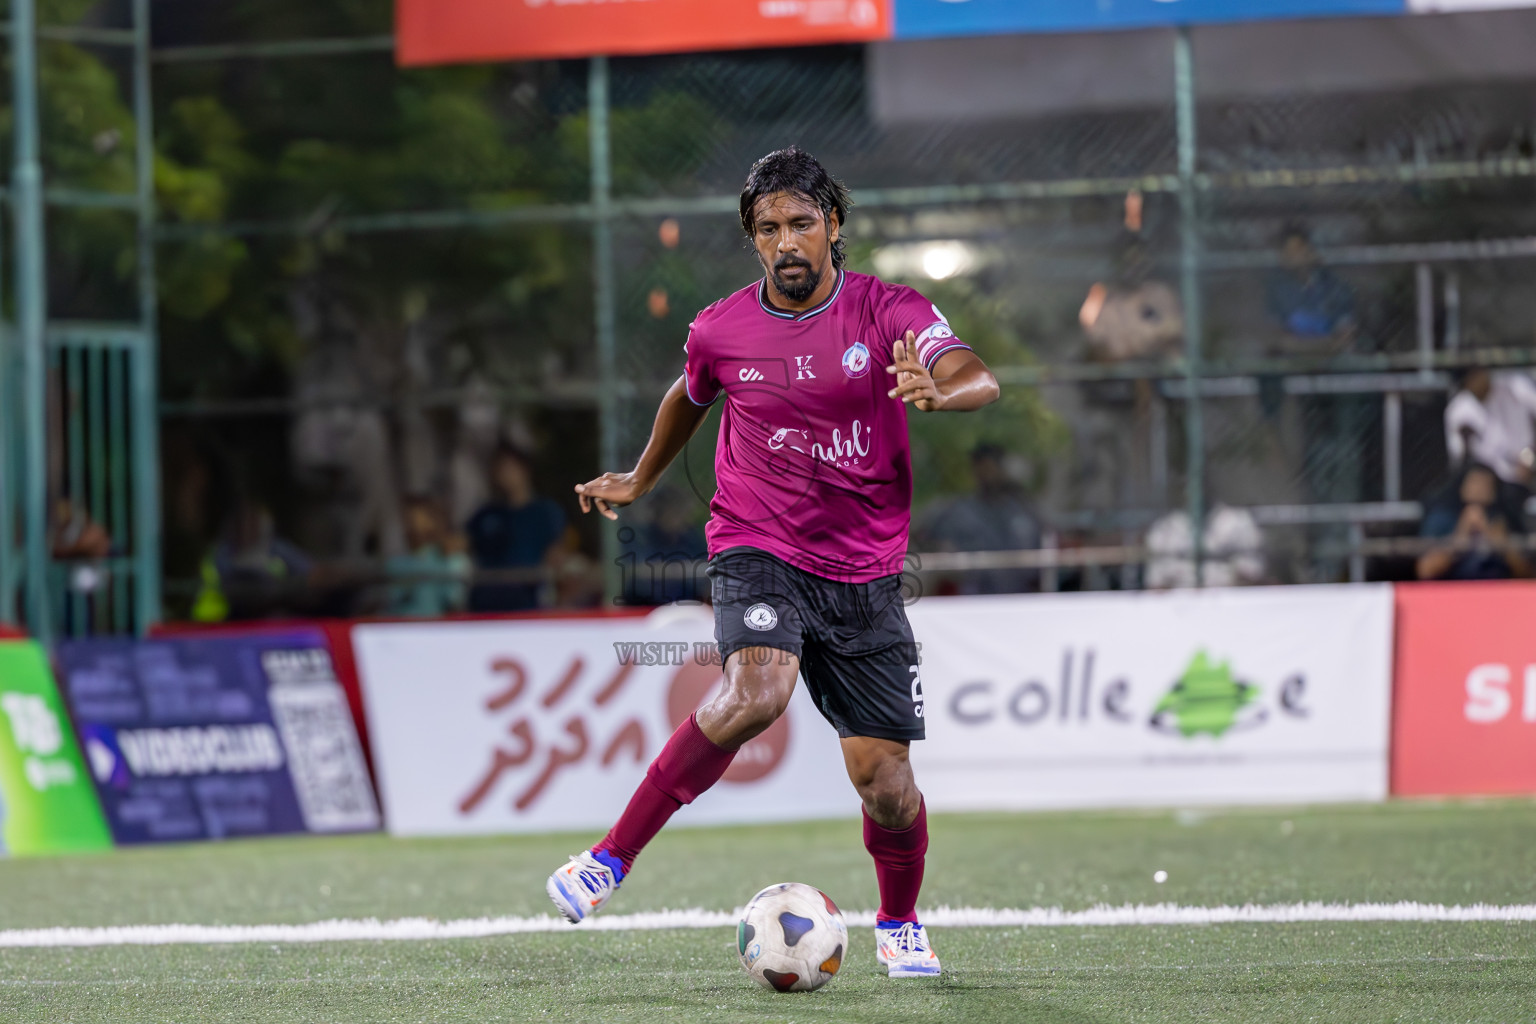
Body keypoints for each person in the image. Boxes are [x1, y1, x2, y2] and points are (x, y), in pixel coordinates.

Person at [545, 147, 999, 978]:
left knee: (886, 785)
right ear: (752, 240)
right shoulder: (720, 328)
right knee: (757, 690)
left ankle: (899, 922)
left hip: (864, 572)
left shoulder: (888, 310)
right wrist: (643, 476)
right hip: (758, 543)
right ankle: (608, 858)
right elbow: (689, 394)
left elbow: (972, 373)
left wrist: (945, 390)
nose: (786, 241)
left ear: (832, 226)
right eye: (767, 229)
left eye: (800, 223)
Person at [917, 443, 1041, 594]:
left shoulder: (1023, 511)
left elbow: (1041, 555)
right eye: (981, 468)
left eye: (990, 468)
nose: (986, 474)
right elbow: (926, 542)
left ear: (1001, 469)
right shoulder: (958, 512)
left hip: (1020, 599)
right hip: (973, 601)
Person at [464, 443, 566, 612]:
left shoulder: (545, 512)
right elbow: (462, 545)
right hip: (485, 603)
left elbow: (556, 554)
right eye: (499, 469)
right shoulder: (485, 514)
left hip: (527, 602)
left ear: (524, 470)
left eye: (509, 468)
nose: (504, 474)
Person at [1416, 463, 1531, 581]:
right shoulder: (1443, 518)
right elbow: (1425, 571)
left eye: (1486, 485)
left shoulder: (1504, 519)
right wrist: (1460, 536)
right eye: (1475, 483)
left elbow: (1527, 574)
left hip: (1498, 589)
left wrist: (1499, 543)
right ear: (1462, 486)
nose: (1480, 489)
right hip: (1453, 590)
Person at [1444, 367, 1536, 494]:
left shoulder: (1514, 386)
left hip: (1528, 467)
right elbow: (1461, 460)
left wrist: (1530, 460)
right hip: (1490, 483)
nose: (1473, 383)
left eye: (1475, 376)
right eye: (1466, 381)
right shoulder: (1459, 410)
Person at [383, 495, 469, 617]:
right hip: (400, 629)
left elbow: (455, 602)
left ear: (434, 522)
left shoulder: (451, 560)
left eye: (417, 519)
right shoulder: (395, 564)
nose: (412, 525)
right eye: (407, 519)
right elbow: (391, 601)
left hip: (438, 629)